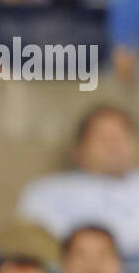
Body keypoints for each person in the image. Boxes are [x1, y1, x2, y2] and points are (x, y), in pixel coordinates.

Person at [16, 106, 139, 262]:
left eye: (121, 137)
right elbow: (35, 247)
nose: (114, 146)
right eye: (104, 138)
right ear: (79, 149)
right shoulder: (46, 191)